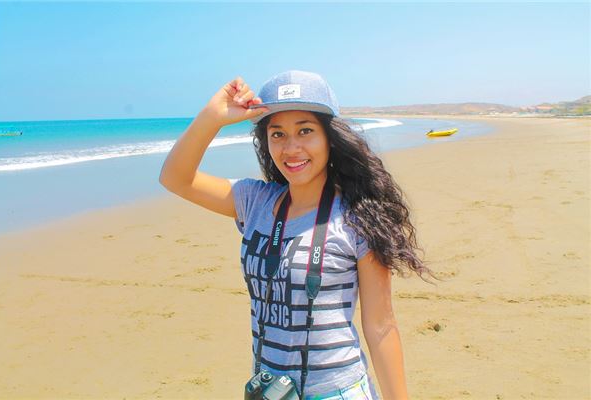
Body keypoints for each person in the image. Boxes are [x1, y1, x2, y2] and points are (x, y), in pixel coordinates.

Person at [159, 70, 439, 400]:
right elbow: (175, 178)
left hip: (337, 392)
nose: (291, 148)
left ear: (329, 137)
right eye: (277, 134)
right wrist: (212, 117)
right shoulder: (255, 202)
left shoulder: (357, 216)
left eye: (305, 131)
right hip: (270, 390)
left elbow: (380, 326)